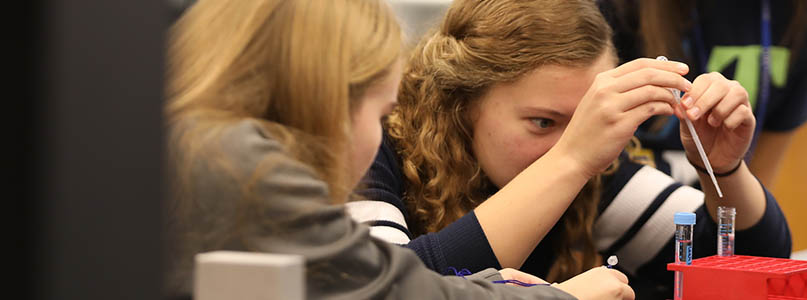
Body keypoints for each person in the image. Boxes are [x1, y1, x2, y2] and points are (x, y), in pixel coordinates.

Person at [163, 0, 634, 299]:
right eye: (379, 110)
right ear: (326, 97)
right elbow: (389, 287)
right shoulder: (246, 166)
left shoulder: (198, 144)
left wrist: (711, 168)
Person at [353, 0, 791, 297]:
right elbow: (385, 286)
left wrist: (726, 170)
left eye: (586, 119)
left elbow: (756, 269)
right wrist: (572, 159)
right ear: (461, 107)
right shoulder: (369, 151)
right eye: (543, 122)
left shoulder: (592, 172)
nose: (575, 139)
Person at [598, 0, 807, 186]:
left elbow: (759, 184)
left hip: (716, 212)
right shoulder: (614, 9)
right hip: (616, 205)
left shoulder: (801, 14)